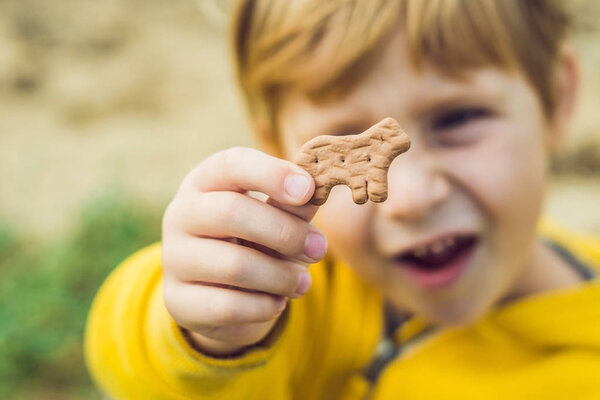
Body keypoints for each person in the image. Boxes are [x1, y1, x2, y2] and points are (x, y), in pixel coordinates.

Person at [84, 0, 600, 398]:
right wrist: (207, 327)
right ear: (280, 150)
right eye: (345, 141)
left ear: (557, 97)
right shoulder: (298, 297)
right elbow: (131, 367)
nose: (412, 198)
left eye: (457, 119)